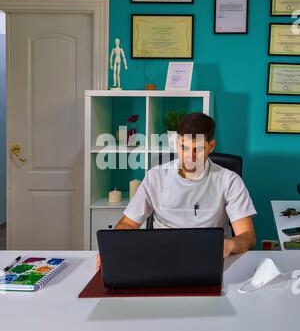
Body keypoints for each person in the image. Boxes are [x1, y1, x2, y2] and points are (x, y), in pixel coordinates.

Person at [96, 112, 257, 268]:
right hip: (161, 257)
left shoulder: (230, 180)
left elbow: (248, 237)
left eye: (198, 149)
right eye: (184, 148)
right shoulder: (155, 177)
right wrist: (111, 249)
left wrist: (229, 245)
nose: (190, 157)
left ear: (211, 146)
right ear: (176, 143)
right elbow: (128, 224)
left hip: (211, 258)